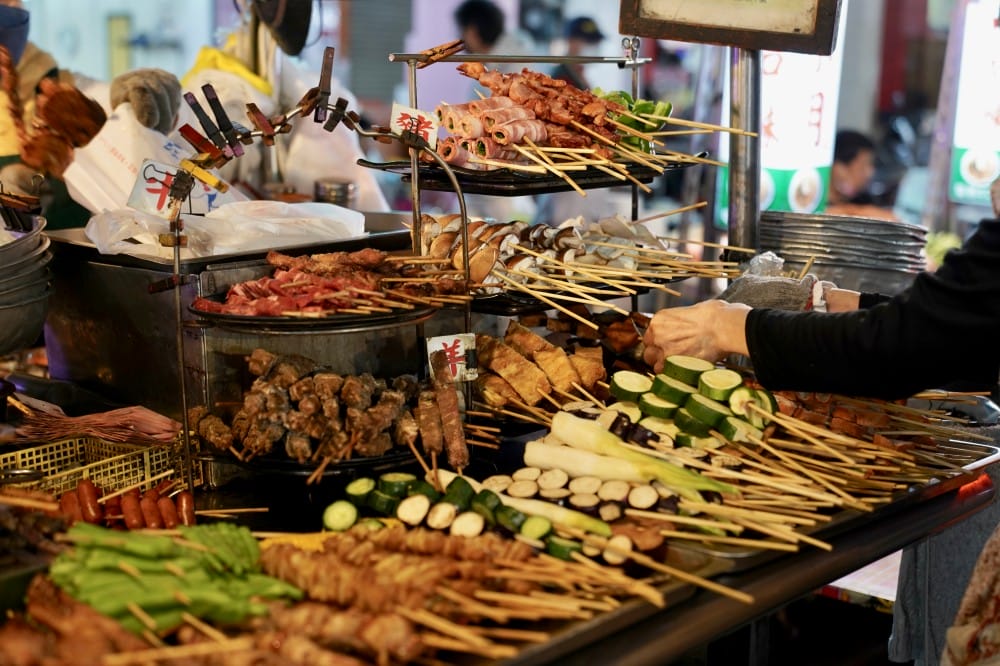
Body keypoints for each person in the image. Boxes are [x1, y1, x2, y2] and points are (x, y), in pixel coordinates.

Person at [826, 129, 898, 220]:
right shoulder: (814, 202)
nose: (870, 173)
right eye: (863, 167)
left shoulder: (864, 200)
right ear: (839, 168)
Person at [453, 0, 534, 74]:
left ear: (472, 31)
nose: (461, 36)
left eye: (463, 31)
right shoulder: (491, 63)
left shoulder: (514, 67)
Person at [551, 16, 605, 90]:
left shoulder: (578, 73)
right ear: (571, 41)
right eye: (589, 42)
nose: (594, 46)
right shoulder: (560, 80)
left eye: (596, 42)